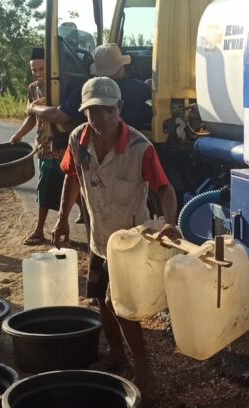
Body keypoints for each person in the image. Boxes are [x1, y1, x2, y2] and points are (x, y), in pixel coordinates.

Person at [52, 77, 180, 391]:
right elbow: (71, 177)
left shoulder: (140, 147)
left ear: (120, 108)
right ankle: (118, 356)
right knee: (100, 299)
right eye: (95, 111)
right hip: (99, 237)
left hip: (131, 241)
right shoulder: (77, 140)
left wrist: (170, 222)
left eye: (109, 110)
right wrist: (63, 219)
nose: (103, 118)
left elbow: (164, 188)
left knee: (121, 304)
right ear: (84, 112)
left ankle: (144, 368)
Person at [10, 48, 67, 245]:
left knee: (71, 187)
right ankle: (39, 229)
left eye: (42, 68)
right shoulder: (33, 88)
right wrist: (19, 134)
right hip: (45, 146)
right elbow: (31, 117)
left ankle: (68, 223)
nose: (38, 73)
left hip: (65, 147)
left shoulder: (62, 86)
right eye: (34, 69)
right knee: (45, 187)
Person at [62, 43, 152, 131]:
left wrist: (47, 109)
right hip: (127, 141)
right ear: (119, 70)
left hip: (95, 142)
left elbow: (61, 116)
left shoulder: (88, 90)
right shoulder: (138, 88)